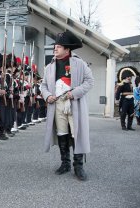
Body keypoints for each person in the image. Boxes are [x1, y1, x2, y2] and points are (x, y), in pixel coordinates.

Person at [41, 31, 94, 181]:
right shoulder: (49, 66)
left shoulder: (79, 63)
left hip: (74, 103)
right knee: (62, 133)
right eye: (55, 46)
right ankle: (65, 163)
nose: (55, 49)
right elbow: (43, 85)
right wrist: (47, 96)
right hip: (57, 104)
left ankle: (79, 166)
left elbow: (90, 82)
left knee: (77, 134)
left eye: (58, 46)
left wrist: (75, 92)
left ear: (67, 49)